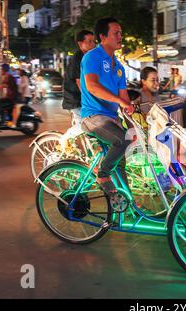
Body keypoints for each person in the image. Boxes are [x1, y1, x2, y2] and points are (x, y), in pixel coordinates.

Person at [80, 17, 134, 196]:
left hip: (111, 118)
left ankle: (126, 202)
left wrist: (133, 112)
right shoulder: (92, 57)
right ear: (103, 37)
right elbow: (92, 86)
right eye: (116, 33)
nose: (120, 36)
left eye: (121, 33)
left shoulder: (119, 67)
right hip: (93, 117)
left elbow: (124, 97)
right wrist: (121, 102)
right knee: (123, 140)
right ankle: (102, 174)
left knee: (121, 159)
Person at [60, 30, 96, 150]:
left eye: (94, 41)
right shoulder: (79, 58)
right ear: (81, 44)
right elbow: (80, 83)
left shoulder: (90, 57)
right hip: (75, 100)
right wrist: (91, 99)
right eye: (89, 42)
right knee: (84, 125)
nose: (93, 44)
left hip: (82, 99)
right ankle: (64, 138)